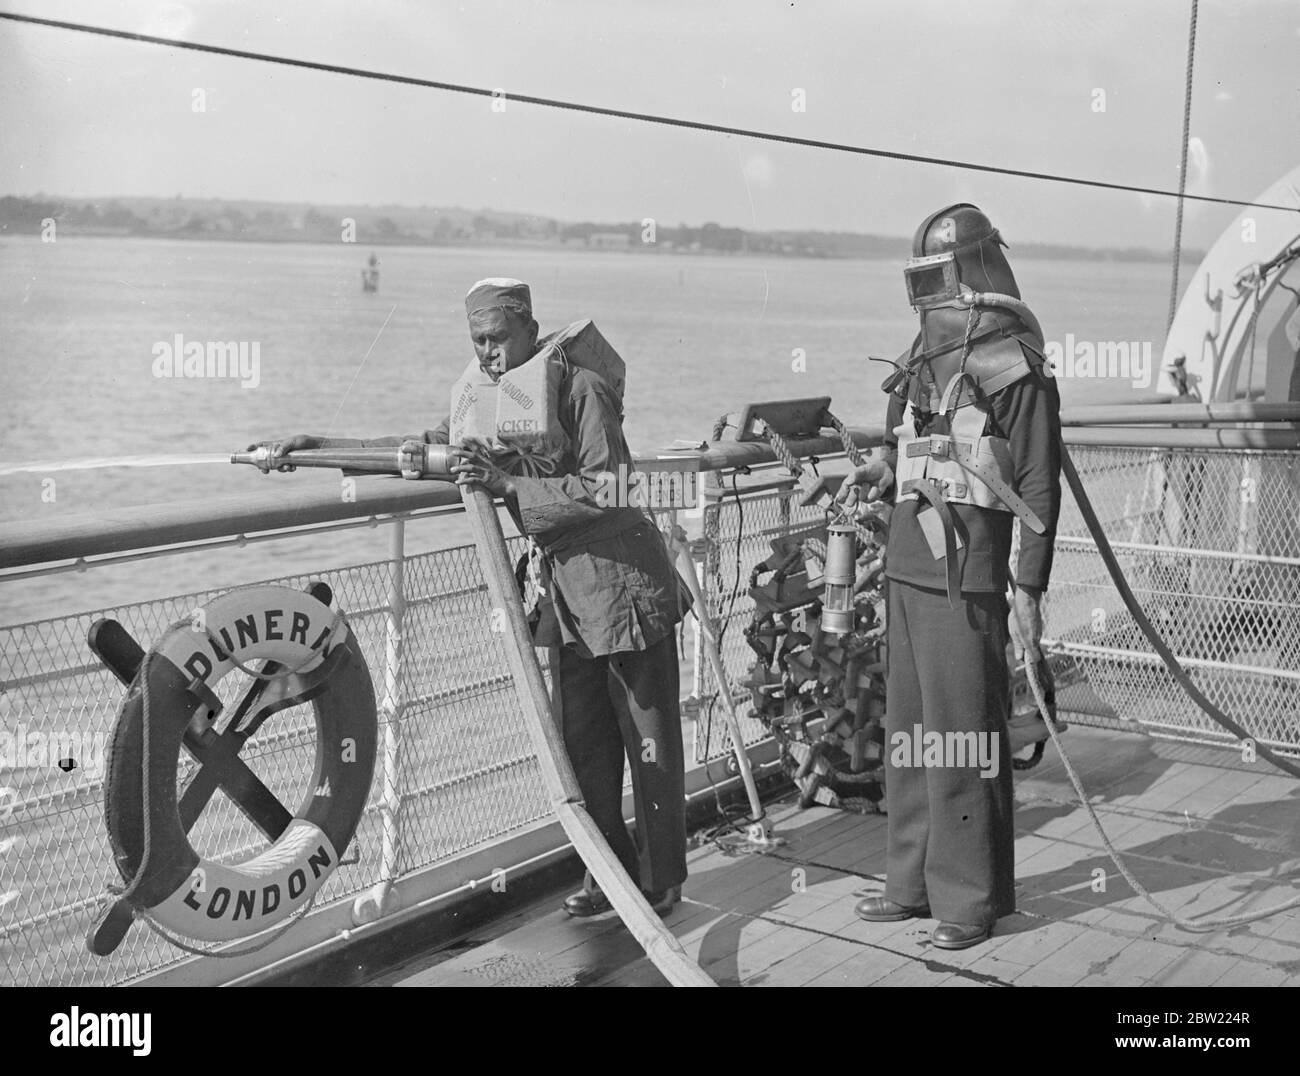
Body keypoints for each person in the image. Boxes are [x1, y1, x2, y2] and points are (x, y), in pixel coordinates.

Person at [252, 278, 691, 916]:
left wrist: (508, 484)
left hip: (623, 586)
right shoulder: (485, 402)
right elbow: (416, 453)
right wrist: (318, 447)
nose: (488, 353)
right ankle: (609, 878)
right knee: (584, 748)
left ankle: (662, 882)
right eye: (477, 341)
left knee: (648, 743)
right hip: (567, 601)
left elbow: (611, 486)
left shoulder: (580, 388)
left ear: (530, 329)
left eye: (499, 338)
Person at [838, 205, 1061, 950]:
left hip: (965, 575)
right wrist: (872, 471)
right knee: (910, 736)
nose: (931, 289)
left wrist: (1028, 588)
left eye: (942, 272)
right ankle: (910, 882)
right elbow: (910, 446)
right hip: (909, 565)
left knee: (963, 738)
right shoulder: (921, 356)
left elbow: (1036, 483)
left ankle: (968, 899)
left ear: (974, 269)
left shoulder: (1012, 363)